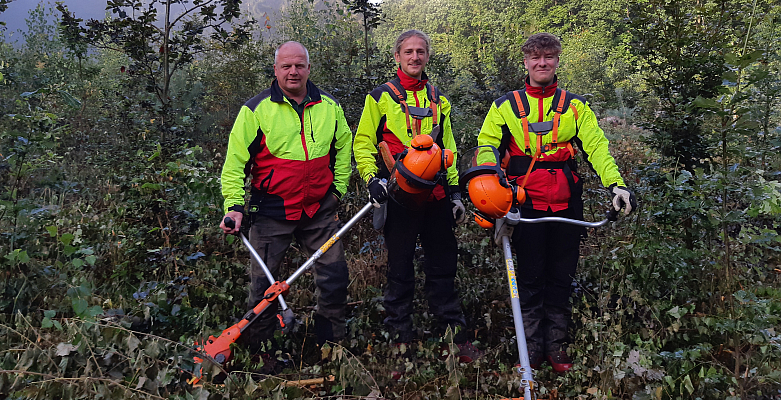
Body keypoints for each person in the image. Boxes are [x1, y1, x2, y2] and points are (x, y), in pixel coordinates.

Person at [476, 32, 636, 373]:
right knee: (531, 276)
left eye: (548, 57)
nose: (542, 63)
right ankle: (531, 347)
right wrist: (486, 183)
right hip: (524, 204)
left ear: (557, 61)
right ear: (526, 62)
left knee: (561, 276)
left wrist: (617, 185)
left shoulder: (575, 107)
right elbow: (487, 146)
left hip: (566, 205)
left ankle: (557, 346)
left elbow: (597, 148)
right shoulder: (505, 106)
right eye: (536, 58)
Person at [353, 30, 480, 363]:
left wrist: (455, 194)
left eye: (420, 51)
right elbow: (363, 143)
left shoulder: (439, 99)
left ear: (427, 56)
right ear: (396, 56)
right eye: (408, 52)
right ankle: (399, 342)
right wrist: (371, 179)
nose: (414, 57)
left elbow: (448, 149)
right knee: (399, 270)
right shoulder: (379, 97)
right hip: (399, 197)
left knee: (443, 268)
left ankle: (454, 338)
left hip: (436, 196)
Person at [220, 41, 353, 349]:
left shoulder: (330, 107)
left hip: (318, 211)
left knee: (334, 277)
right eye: (286, 66)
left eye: (299, 65)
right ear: (276, 69)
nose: (293, 72)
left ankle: (331, 346)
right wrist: (234, 206)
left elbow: (343, 149)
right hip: (271, 212)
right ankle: (262, 353)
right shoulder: (255, 110)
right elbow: (234, 164)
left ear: (309, 68)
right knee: (264, 289)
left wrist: (337, 192)